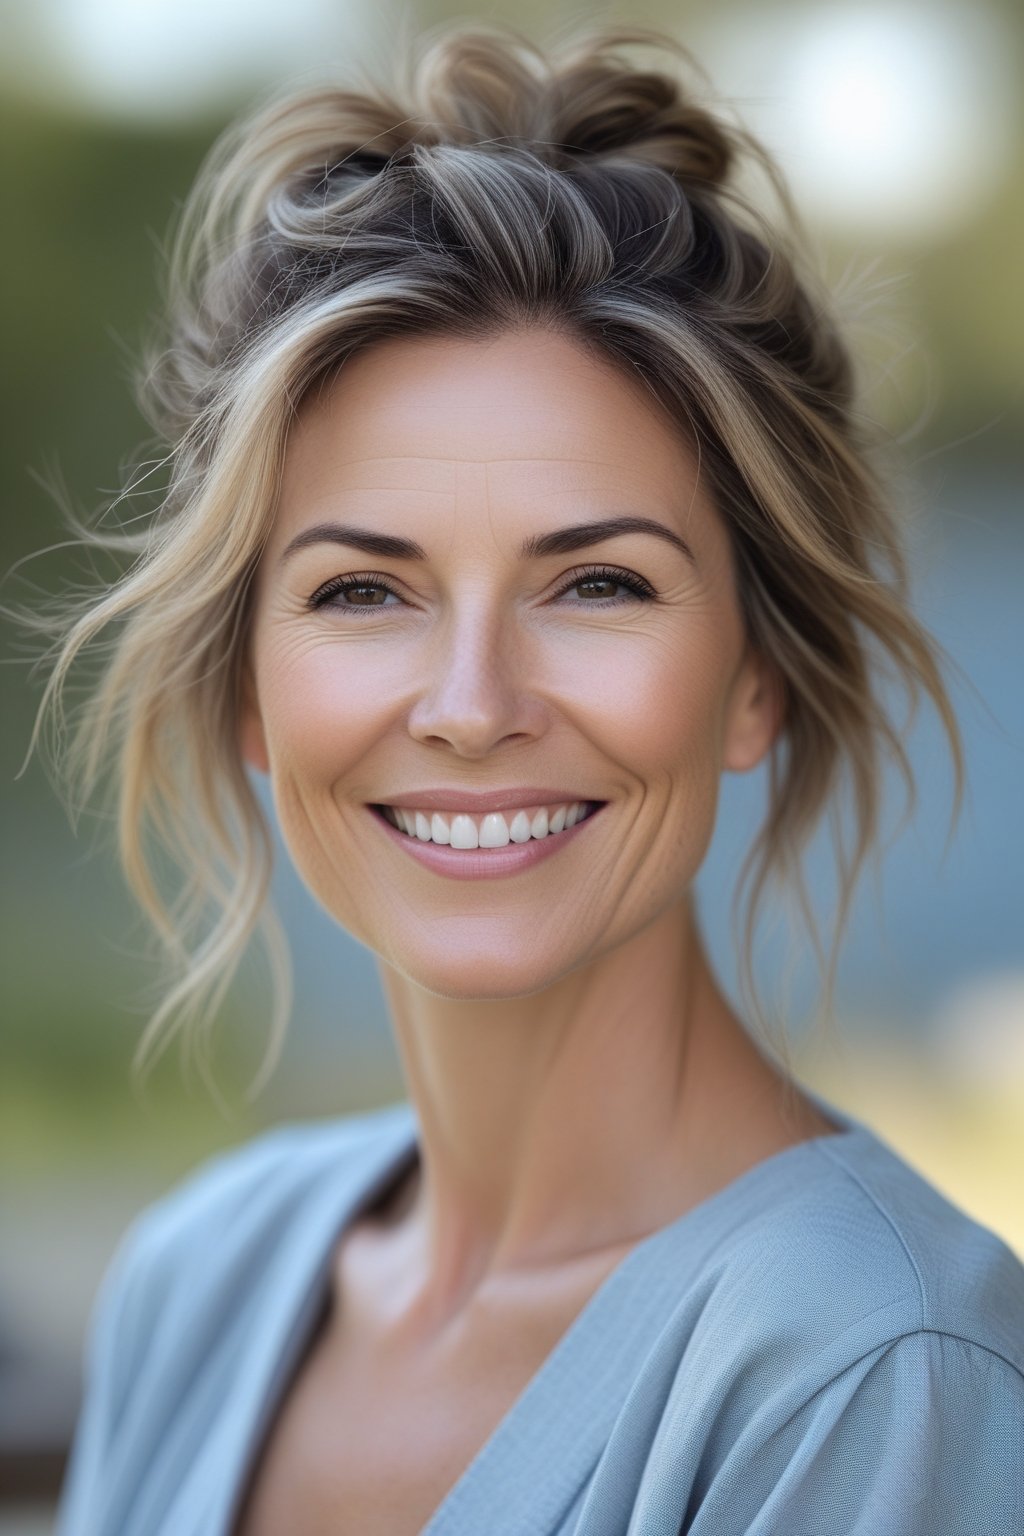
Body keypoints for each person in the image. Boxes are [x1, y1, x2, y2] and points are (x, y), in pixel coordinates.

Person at [19, 18, 1022, 1535]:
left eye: (598, 585)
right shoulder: (199, 1277)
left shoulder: (878, 1374)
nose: (472, 707)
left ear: (754, 678)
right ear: (245, 686)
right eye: (364, 592)